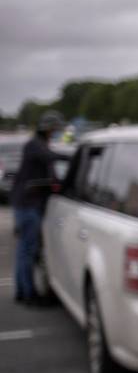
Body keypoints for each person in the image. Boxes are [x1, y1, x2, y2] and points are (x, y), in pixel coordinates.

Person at [10, 110, 70, 306]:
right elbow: (51, 157)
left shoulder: (37, 144)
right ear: (48, 128)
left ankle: (22, 291)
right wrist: (74, 157)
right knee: (28, 250)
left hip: (26, 203)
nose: (56, 133)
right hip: (28, 205)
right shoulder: (35, 146)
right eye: (55, 129)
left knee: (24, 250)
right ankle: (29, 294)